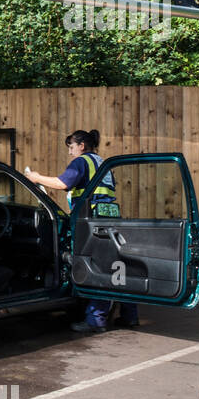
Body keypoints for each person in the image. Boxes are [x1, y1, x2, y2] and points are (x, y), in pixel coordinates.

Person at [25, 129, 140, 333]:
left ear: (82, 146)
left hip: (92, 222)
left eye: (71, 147)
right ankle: (130, 315)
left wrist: (36, 177)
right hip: (111, 218)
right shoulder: (102, 163)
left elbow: (62, 183)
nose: (70, 152)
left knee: (98, 270)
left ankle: (95, 320)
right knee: (116, 267)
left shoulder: (82, 162)